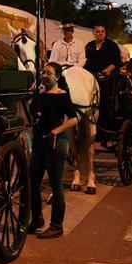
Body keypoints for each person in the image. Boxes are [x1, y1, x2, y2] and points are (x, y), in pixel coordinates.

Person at [29, 62, 79, 239]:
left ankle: (57, 225)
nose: (45, 75)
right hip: (39, 142)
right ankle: (37, 219)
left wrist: (56, 131)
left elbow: (73, 119)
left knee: (55, 184)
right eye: (43, 72)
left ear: (57, 77)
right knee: (32, 182)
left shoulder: (61, 95)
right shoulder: (40, 94)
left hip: (56, 142)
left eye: (49, 73)